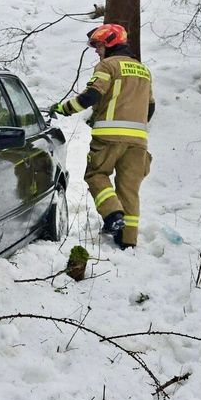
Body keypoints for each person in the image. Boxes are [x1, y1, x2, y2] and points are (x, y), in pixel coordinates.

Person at [52, 24, 155, 249]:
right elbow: (150, 109)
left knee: (96, 175)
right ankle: (127, 240)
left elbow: (91, 95)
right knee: (129, 189)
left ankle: (113, 215)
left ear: (109, 43)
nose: (97, 51)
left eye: (98, 46)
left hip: (108, 137)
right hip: (138, 141)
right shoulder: (144, 71)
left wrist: (64, 108)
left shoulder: (107, 65)